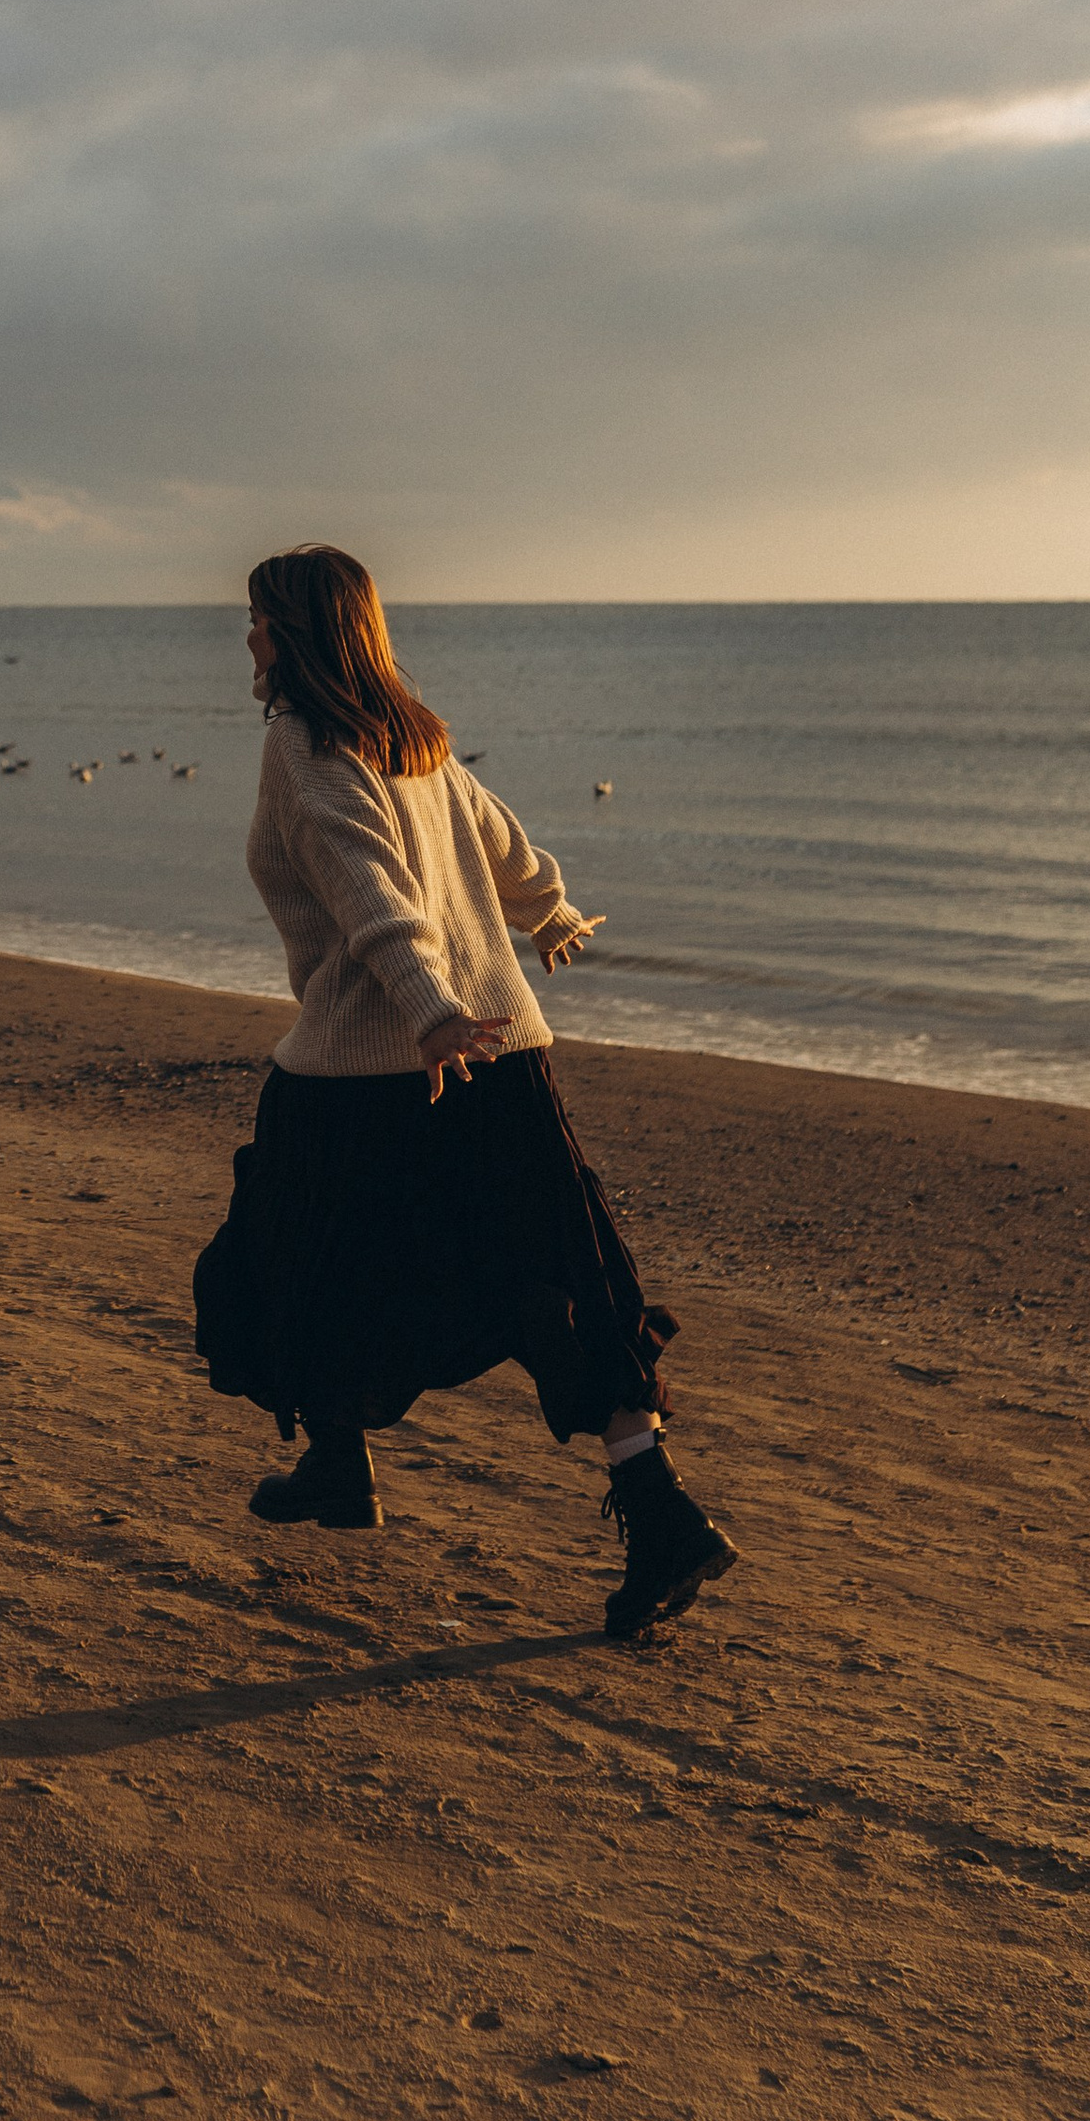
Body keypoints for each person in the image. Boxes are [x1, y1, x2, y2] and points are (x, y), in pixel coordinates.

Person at [193, 542, 737, 1641]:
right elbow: (492, 836)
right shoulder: (412, 733)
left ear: (295, 632)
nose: (244, 638)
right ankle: (656, 1512)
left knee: (290, 1257)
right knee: (563, 1279)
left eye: (255, 619)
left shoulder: (303, 742)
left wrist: (431, 1005)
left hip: (378, 1062)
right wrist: (546, 910)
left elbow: (369, 891)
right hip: (502, 1056)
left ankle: (341, 1459)